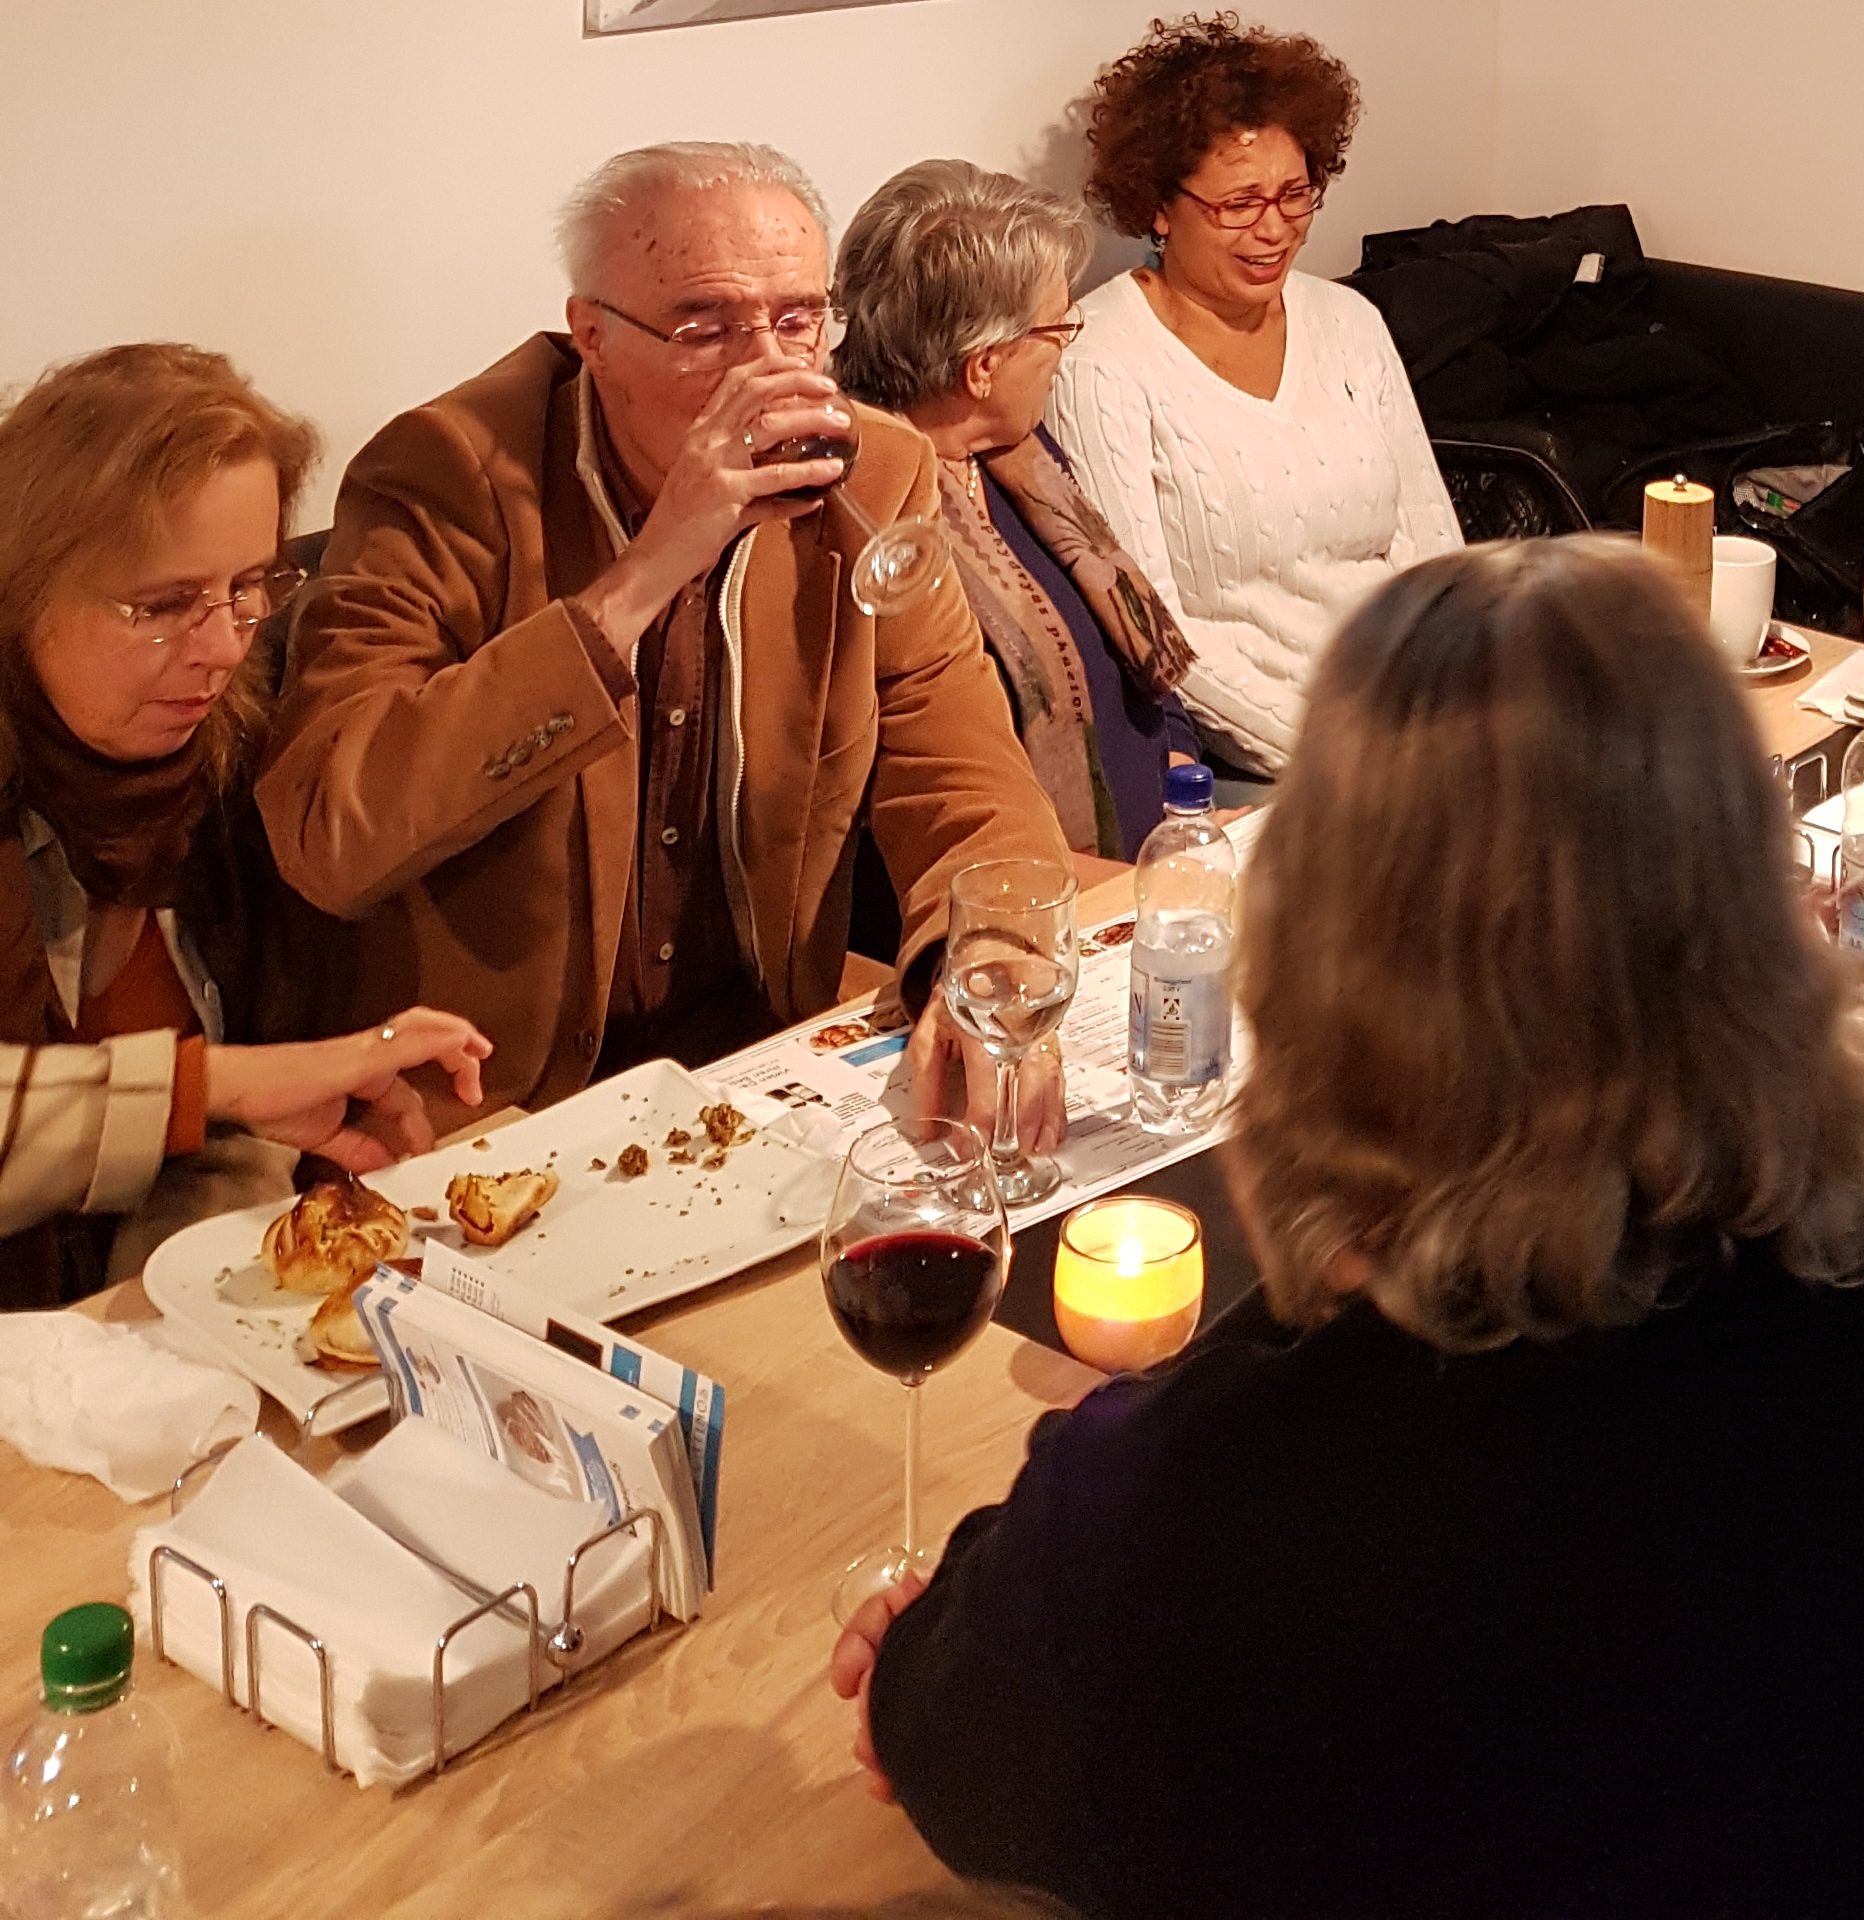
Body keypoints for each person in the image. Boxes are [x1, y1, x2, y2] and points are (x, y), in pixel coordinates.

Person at [838, 537, 1864, 1920]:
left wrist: (963, 1620)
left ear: (1315, 965)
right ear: (1759, 887)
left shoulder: (1233, 1509)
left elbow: (952, 1735)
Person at [259, 141, 1070, 1118]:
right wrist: (643, 577)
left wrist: (988, 955)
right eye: (705, 328)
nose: (767, 369)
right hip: (498, 1093)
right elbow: (330, 836)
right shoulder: (447, 476)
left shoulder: (874, 473)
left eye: (796, 320)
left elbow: (962, 770)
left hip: (760, 1056)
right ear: (592, 335)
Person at [0, 344, 488, 1306]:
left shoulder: (245, 759)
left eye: (249, 586)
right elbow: (239, 1093)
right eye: (162, 605)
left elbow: (237, 1148)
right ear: (24, 592)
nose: (224, 646)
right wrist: (214, 1085)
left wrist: (194, 1314)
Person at [1051, 13, 1458, 773]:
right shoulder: (1099, 363)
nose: (1274, 231)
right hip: (1278, 760)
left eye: (1295, 195)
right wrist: (1351, 756)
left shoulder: (1348, 322)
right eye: (1238, 205)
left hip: (1423, 723)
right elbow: (1155, 636)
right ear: (1159, 207)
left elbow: (1436, 555)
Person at [832, 160, 1199, 858]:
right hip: (1015, 883)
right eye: (1058, 328)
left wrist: (1182, 786)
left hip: (1153, 848)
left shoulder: (1022, 460)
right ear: (983, 366)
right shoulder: (865, 517)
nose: (1067, 343)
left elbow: (1135, 665)